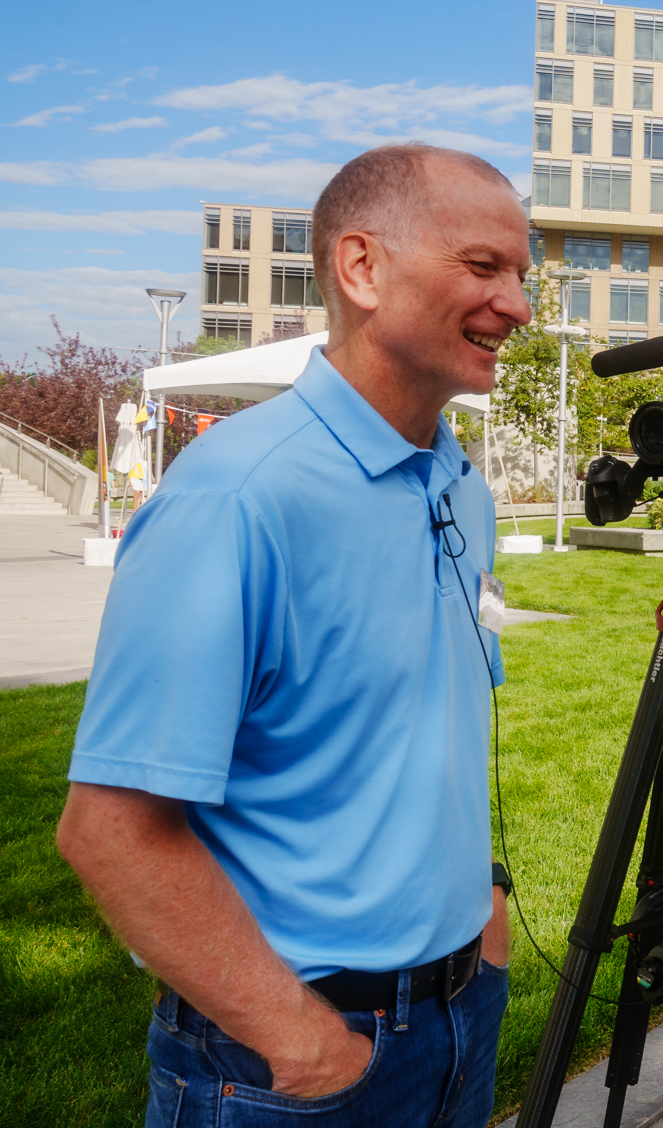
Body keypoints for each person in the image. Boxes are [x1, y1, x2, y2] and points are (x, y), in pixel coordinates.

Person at [58, 144, 530, 1127]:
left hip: (459, 1015)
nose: (518, 305)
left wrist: (483, 912)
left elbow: (416, 737)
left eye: (521, 275)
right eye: (484, 267)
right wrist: (300, 1036)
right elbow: (111, 833)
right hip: (289, 1055)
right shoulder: (238, 495)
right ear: (360, 269)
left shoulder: (461, 486)